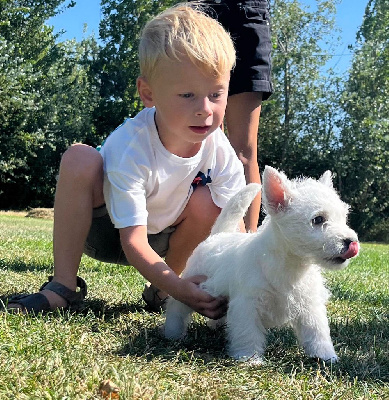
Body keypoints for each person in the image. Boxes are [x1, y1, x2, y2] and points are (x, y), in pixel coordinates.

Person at [7, 4, 246, 316]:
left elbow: (235, 225)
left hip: (163, 238)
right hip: (105, 232)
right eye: (187, 95)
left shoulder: (219, 147)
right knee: (80, 157)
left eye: (216, 94)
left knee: (213, 203)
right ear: (148, 93)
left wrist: (244, 282)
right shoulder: (131, 144)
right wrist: (181, 286)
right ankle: (63, 286)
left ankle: (161, 292)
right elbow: (131, 240)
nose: (205, 109)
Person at [193, 0, 273, 232]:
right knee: (202, 145)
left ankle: (247, 244)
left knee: (243, 153)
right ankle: (199, 242)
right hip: (201, 17)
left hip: (247, 15)